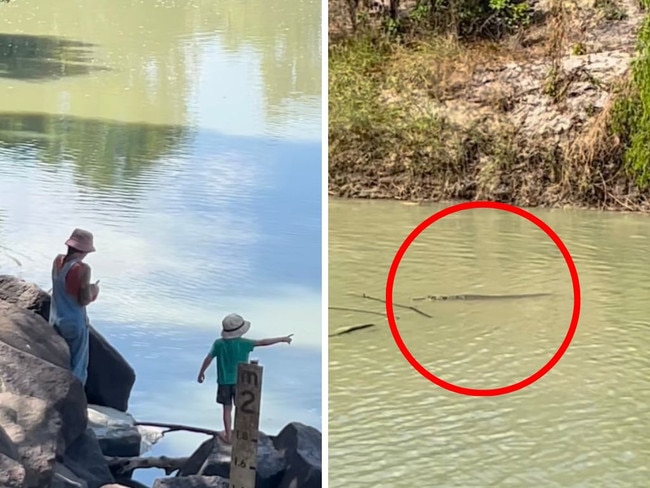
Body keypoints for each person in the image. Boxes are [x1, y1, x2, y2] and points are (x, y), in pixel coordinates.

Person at [197, 312, 293, 443]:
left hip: (224, 381)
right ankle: (243, 433)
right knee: (242, 409)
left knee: (226, 408)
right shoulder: (245, 343)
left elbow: (208, 358)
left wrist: (201, 373)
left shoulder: (218, 344)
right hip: (241, 381)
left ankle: (228, 436)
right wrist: (282, 339)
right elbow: (263, 342)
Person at [49, 228, 100, 386]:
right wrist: (94, 290)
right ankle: (73, 398)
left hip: (54, 319)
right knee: (77, 365)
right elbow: (84, 299)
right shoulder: (82, 269)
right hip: (73, 323)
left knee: (57, 359)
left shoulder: (58, 261)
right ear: (85, 251)